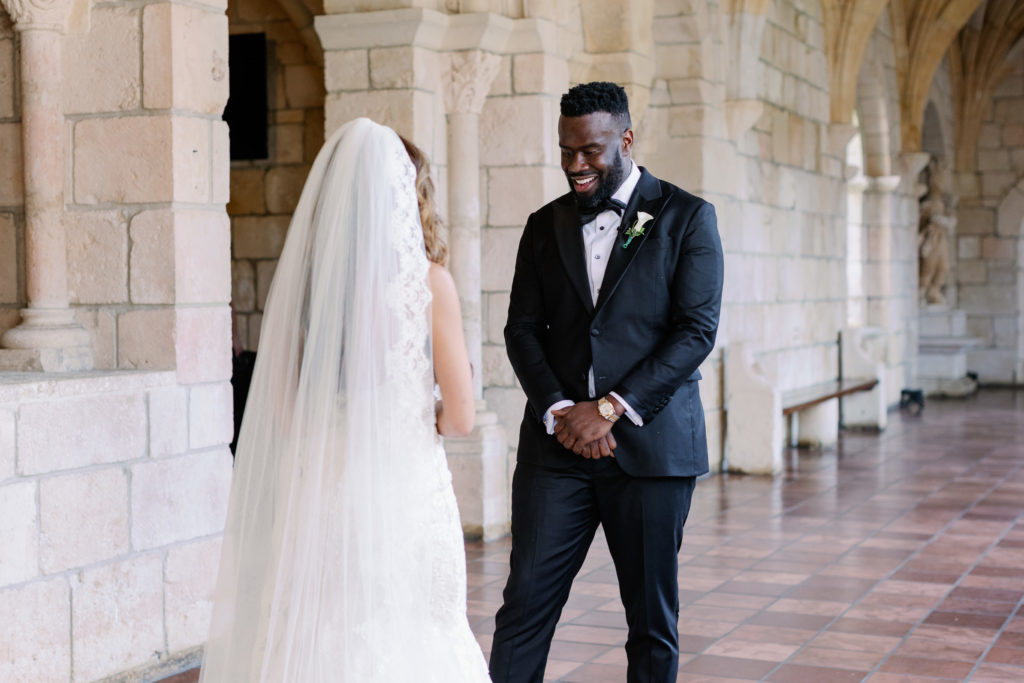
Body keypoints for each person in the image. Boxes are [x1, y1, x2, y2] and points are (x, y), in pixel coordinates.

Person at [199, 118, 489, 682]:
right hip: (402, 490)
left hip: (323, 495)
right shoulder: (430, 286)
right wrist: (419, 405)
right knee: (416, 634)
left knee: (323, 633)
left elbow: (285, 417)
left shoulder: (306, 288)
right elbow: (459, 420)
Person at [489, 82, 724, 683]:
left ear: (624, 139)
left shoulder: (686, 216)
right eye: (566, 151)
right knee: (524, 609)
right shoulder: (544, 226)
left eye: (589, 151)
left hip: (651, 449)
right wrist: (563, 410)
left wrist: (612, 408)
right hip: (557, 449)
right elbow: (521, 330)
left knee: (650, 621)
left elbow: (694, 332)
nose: (575, 165)